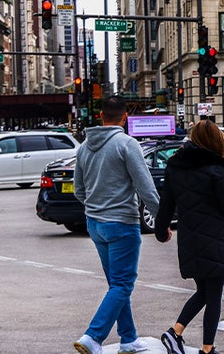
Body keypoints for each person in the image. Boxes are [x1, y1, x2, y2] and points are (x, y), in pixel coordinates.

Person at [72, 96, 161, 354]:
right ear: (124, 118)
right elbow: (145, 187)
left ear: (101, 116)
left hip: (95, 224)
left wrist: (95, 205)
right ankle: (93, 336)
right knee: (123, 284)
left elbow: (79, 190)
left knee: (117, 285)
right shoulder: (127, 144)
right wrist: (161, 219)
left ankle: (129, 338)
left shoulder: (84, 148)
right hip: (122, 223)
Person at [155, 120, 224, 354]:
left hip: (190, 238)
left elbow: (166, 204)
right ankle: (206, 348)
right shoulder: (217, 167)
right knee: (213, 295)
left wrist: (161, 230)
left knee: (205, 290)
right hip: (214, 237)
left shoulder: (175, 166)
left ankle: (175, 333)